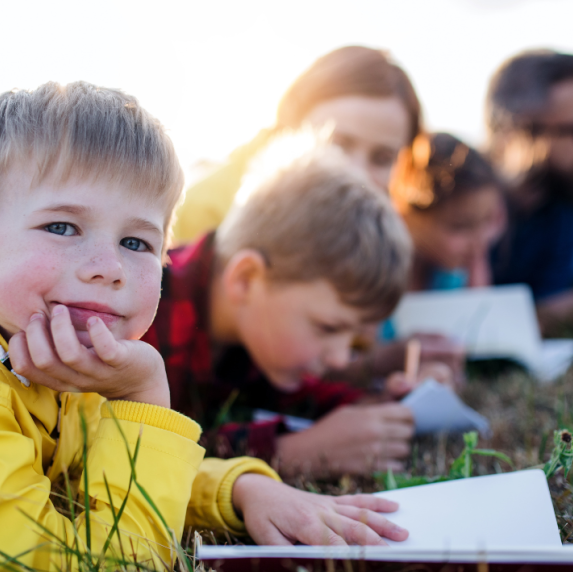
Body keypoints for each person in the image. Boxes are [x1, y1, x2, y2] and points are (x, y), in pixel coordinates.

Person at [0, 82, 409, 572]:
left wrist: (240, 488)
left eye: (136, 242)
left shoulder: (22, 333)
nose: (108, 269)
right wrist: (144, 396)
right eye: (62, 226)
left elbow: (83, 457)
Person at [144, 139, 422, 479]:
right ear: (246, 279)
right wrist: (295, 453)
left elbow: (299, 397)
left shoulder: (257, 328)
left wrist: (375, 405)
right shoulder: (143, 316)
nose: (339, 357)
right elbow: (137, 452)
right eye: (328, 328)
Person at [172, 45, 422, 245]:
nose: (357, 173)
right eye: (337, 144)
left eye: (382, 158)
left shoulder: (387, 236)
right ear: (292, 120)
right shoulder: (207, 211)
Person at [486, 49, 573, 339]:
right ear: (520, 135)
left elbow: (551, 293)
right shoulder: (467, 203)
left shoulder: (563, 201)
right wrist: (567, 312)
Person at [390, 132, 506, 292]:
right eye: (460, 227)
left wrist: (476, 268)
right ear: (407, 216)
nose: (479, 242)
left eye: (487, 220)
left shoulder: (457, 268)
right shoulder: (384, 270)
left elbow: (478, 303)